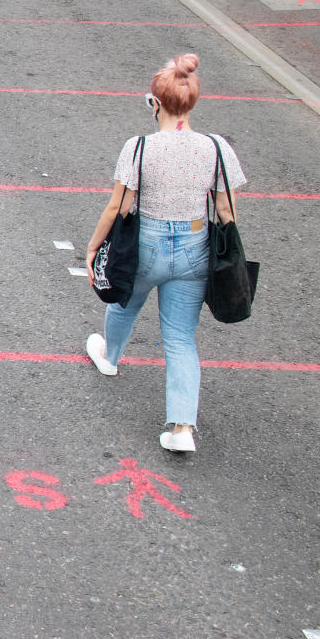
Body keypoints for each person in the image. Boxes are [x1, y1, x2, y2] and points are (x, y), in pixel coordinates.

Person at [84, 54, 245, 453]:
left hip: (147, 244)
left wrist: (92, 247)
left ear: (155, 103)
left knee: (124, 302)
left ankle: (110, 354)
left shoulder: (138, 148)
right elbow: (225, 211)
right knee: (180, 338)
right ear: (191, 104)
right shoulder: (216, 147)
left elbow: (118, 207)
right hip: (194, 246)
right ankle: (181, 429)